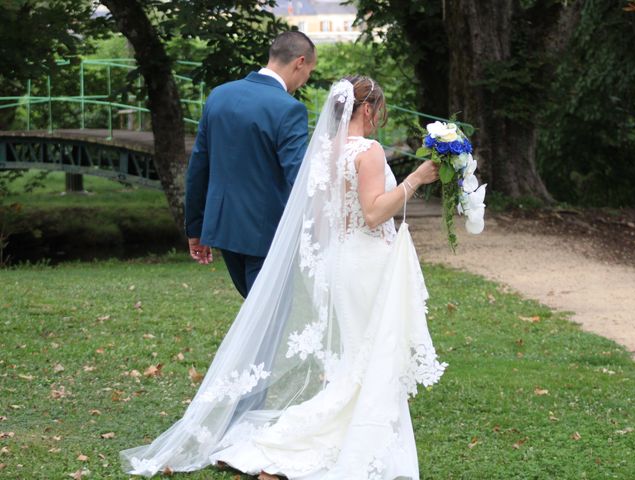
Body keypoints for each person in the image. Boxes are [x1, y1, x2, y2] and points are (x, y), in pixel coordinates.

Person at [120, 76, 447, 479]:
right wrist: (417, 179)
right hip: (367, 263)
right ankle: (302, 445)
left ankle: (360, 441)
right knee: (373, 357)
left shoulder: (325, 151)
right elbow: (374, 213)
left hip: (341, 263)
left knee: (360, 359)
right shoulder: (370, 151)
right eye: (379, 111)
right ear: (367, 109)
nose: (379, 119)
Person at [184, 31, 316, 298]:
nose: (306, 80)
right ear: (300, 62)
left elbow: (198, 166)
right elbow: (299, 176)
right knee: (271, 318)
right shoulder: (288, 108)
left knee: (257, 314)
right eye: (310, 71)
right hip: (266, 232)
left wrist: (196, 228)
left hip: (223, 227)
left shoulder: (219, 96)